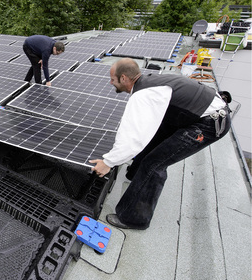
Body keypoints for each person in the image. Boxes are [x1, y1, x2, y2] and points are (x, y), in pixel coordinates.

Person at [90, 58, 231, 230]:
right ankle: (135, 175)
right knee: (153, 141)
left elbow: (133, 138)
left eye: (113, 79)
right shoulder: (149, 82)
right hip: (192, 114)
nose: (111, 83)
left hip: (207, 124)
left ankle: (134, 219)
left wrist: (108, 163)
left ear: (124, 78)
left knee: (154, 164)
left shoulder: (143, 95)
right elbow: (146, 133)